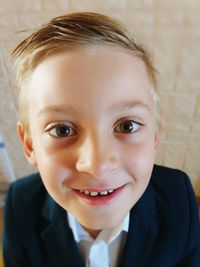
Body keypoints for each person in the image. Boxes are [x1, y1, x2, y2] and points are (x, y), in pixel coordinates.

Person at [3, 12, 200, 267]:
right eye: (62, 130)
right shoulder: (20, 205)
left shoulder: (178, 197)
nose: (97, 166)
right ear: (30, 145)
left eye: (127, 126)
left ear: (154, 135)